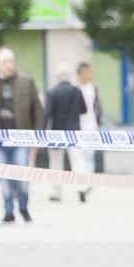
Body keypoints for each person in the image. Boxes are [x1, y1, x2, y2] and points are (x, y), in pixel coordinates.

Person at [0, 47, 44, 224]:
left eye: (11, 61)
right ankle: (8, 211)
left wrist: (37, 138)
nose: (9, 65)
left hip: (22, 138)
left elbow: (37, 110)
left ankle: (23, 206)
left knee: (22, 175)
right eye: (5, 61)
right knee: (4, 176)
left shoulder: (26, 81)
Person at [44, 70, 87, 203]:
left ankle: (57, 192)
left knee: (56, 163)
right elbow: (84, 110)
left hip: (57, 133)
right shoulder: (77, 91)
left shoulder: (52, 92)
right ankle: (81, 188)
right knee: (78, 161)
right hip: (74, 131)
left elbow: (48, 113)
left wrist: (43, 132)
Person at [74, 62, 102, 202]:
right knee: (80, 158)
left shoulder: (92, 88)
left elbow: (97, 107)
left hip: (92, 127)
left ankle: (89, 182)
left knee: (90, 156)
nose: (90, 74)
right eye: (87, 72)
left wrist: (98, 122)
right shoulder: (75, 89)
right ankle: (82, 186)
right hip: (79, 128)